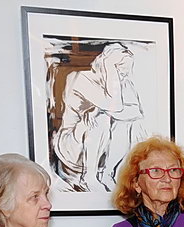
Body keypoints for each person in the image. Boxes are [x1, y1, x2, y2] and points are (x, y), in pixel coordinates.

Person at [53, 43, 146, 192]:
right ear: (106, 64)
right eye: (119, 69)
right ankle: (89, 177)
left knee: (126, 122)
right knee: (101, 118)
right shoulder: (81, 78)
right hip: (72, 146)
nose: (123, 75)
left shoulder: (123, 82)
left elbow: (135, 112)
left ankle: (108, 173)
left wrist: (96, 110)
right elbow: (115, 106)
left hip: (102, 149)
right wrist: (110, 68)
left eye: (126, 71)